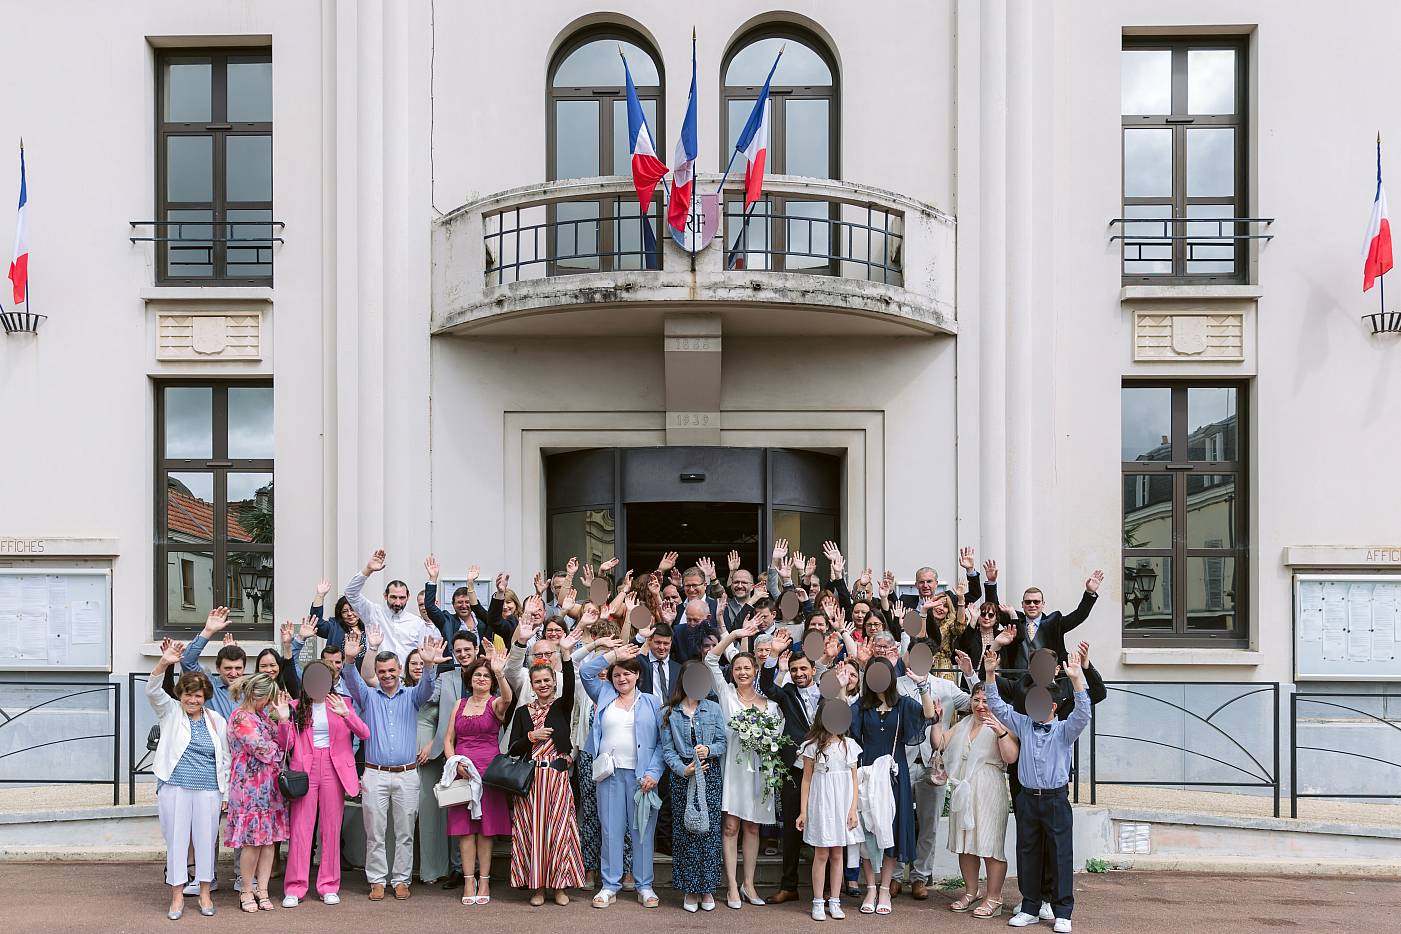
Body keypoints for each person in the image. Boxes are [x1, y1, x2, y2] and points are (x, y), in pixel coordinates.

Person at [985, 646, 1090, 933]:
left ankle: (1063, 912)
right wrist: (991, 672)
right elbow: (996, 704)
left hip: (1056, 799)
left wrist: (1077, 677)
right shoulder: (1023, 722)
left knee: (1060, 855)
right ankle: (1030, 906)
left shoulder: (1065, 730)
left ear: (1052, 707)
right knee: (1027, 852)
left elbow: (1083, 714)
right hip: (1027, 798)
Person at [340, 629, 445, 901]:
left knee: (405, 832)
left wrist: (430, 663)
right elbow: (352, 681)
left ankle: (400, 880)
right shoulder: (369, 697)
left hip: (407, 775)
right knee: (374, 833)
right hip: (375, 774)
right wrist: (351, 659)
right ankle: (376, 880)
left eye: (391, 670)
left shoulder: (412, 696)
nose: (387, 675)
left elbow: (428, 687)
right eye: (382, 671)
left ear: (399, 670)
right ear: (377, 672)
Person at [848, 656, 937, 916]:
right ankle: (871, 888)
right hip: (866, 775)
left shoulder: (904, 705)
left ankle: (885, 888)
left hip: (895, 776)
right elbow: (843, 725)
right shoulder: (861, 708)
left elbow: (929, 715)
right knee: (868, 834)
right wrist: (842, 688)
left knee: (891, 832)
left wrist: (922, 686)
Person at [579, 640, 665, 909]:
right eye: (617, 674)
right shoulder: (604, 694)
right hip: (609, 775)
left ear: (638, 675)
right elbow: (585, 672)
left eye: (627, 673)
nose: (621, 678)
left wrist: (653, 772)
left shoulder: (652, 702)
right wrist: (612, 655)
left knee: (641, 832)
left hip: (642, 779)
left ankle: (645, 885)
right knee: (611, 831)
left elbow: (663, 742)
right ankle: (609, 884)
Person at [706, 620, 785, 909]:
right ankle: (731, 887)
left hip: (759, 771)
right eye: (737, 668)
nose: (741, 672)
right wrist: (736, 636)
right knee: (730, 826)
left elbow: (777, 739)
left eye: (747, 668)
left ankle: (749, 884)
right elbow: (711, 659)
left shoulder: (771, 705)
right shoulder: (726, 695)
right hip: (733, 769)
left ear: (755, 672)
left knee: (753, 828)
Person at [149, 639, 228, 920]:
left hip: (209, 790)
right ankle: (177, 896)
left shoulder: (217, 720)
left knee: (206, 842)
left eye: (198, 696)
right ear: (180, 695)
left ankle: (205, 892)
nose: (192, 700)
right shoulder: (170, 713)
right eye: (187, 694)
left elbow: (225, 758)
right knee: (177, 842)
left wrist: (226, 794)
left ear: (205, 697)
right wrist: (165, 662)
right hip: (176, 788)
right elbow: (152, 689)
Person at [282, 664, 369, 907]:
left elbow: (364, 733)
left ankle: (329, 885)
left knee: (331, 828)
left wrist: (346, 714)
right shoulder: (295, 707)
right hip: (305, 770)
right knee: (301, 829)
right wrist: (281, 720)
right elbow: (284, 743)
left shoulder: (343, 703)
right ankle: (295, 887)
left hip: (334, 768)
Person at [930, 680, 1018, 918]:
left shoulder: (1003, 723)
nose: (980, 705)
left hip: (989, 787)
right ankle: (971, 891)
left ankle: (994, 897)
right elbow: (940, 744)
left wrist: (1000, 732)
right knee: (966, 844)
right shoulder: (964, 724)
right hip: (964, 789)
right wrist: (938, 721)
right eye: (976, 700)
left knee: (990, 844)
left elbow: (1011, 757)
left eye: (986, 701)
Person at [505, 654, 583, 905]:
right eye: (537, 681)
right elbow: (513, 750)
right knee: (534, 833)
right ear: (532, 684)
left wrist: (567, 657)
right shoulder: (522, 713)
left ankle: (559, 887)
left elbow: (570, 683)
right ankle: (537, 887)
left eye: (547, 680)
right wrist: (530, 736)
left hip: (557, 779)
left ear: (554, 682)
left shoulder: (562, 706)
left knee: (559, 833)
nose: (543, 685)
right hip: (531, 781)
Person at [894, 644, 970, 900]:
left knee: (929, 825)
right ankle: (893, 876)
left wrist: (971, 675)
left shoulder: (946, 687)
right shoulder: (896, 685)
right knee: (896, 821)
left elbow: (976, 703)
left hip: (934, 764)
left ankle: (919, 876)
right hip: (901, 763)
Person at [443, 652, 514, 905]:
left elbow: (508, 698)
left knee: (486, 830)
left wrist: (499, 672)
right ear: (470, 679)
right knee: (465, 830)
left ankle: (484, 879)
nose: (482, 679)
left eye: (486, 676)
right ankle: (468, 880)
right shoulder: (458, 705)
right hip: (462, 772)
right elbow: (448, 740)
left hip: (488, 773)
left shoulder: (495, 703)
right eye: (477, 675)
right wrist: (454, 763)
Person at [224, 672, 295, 913]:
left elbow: (287, 746)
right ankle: (246, 890)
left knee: (268, 843)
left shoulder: (263, 717)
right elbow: (263, 749)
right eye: (268, 698)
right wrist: (276, 746)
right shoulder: (239, 717)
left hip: (270, 788)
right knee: (252, 844)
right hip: (248, 788)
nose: (270, 703)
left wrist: (284, 720)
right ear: (257, 694)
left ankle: (262, 890)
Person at [660, 660, 727, 912]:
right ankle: (689, 889)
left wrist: (708, 749)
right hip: (682, 778)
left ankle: (707, 887)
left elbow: (722, 742)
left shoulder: (713, 708)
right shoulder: (669, 711)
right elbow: (667, 751)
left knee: (708, 833)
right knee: (685, 832)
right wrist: (683, 769)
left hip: (709, 776)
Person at [757, 636, 819, 904]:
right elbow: (767, 686)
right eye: (795, 670)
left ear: (814, 670)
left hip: (827, 770)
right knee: (793, 829)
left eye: (804, 669)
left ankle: (828, 887)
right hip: (794, 769)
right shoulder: (787, 694)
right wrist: (774, 657)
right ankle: (789, 885)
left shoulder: (829, 691)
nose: (799, 673)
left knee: (826, 825)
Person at [417, 629, 478, 889]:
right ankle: (459, 869)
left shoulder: (485, 674)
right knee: (458, 811)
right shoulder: (447, 677)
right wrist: (429, 667)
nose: (463, 654)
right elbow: (428, 698)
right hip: (451, 752)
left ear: (476, 650)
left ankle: (479, 870)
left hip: (480, 751)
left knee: (479, 812)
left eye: (467, 649)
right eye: (459, 650)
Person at [795, 701, 862, 922]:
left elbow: (854, 779)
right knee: (821, 853)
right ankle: (817, 901)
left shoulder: (849, 745)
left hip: (842, 804)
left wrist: (853, 808)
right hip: (821, 804)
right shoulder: (811, 745)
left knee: (837, 854)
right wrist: (803, 811)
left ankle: (835, 900)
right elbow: (806, 779)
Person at [344, 549, 440, 663]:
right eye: (394, 597)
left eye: (402, 598)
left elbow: (423, 655)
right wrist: (368, 570)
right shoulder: (373, 613)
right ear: (385, 596)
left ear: (408, 597)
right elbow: (350, 593)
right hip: (379, 677)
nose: (398, 603)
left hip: (409, 678)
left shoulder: (417, 623)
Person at [1009, 571, 1104, 668]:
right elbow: (993, 611)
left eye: (1036, 602)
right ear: (1022, 604)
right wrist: (992, 583)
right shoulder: (1014, 621)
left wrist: (1089, 593)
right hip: (1018, 679)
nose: (1032, 605)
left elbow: (1079, 615)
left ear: (1043, 604)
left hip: (1047, 678)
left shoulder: (1054, 623)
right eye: (1028, 602)